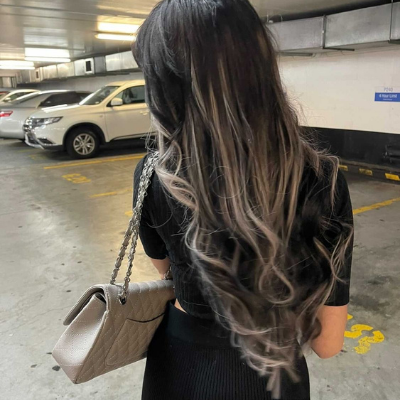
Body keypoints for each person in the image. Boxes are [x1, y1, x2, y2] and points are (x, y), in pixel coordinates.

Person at [132, 1, 354, 399]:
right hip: (272, 376)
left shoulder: (153, 174)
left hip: (179, 366)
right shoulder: (323, 179)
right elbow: (327, 343)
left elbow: (165, 269)